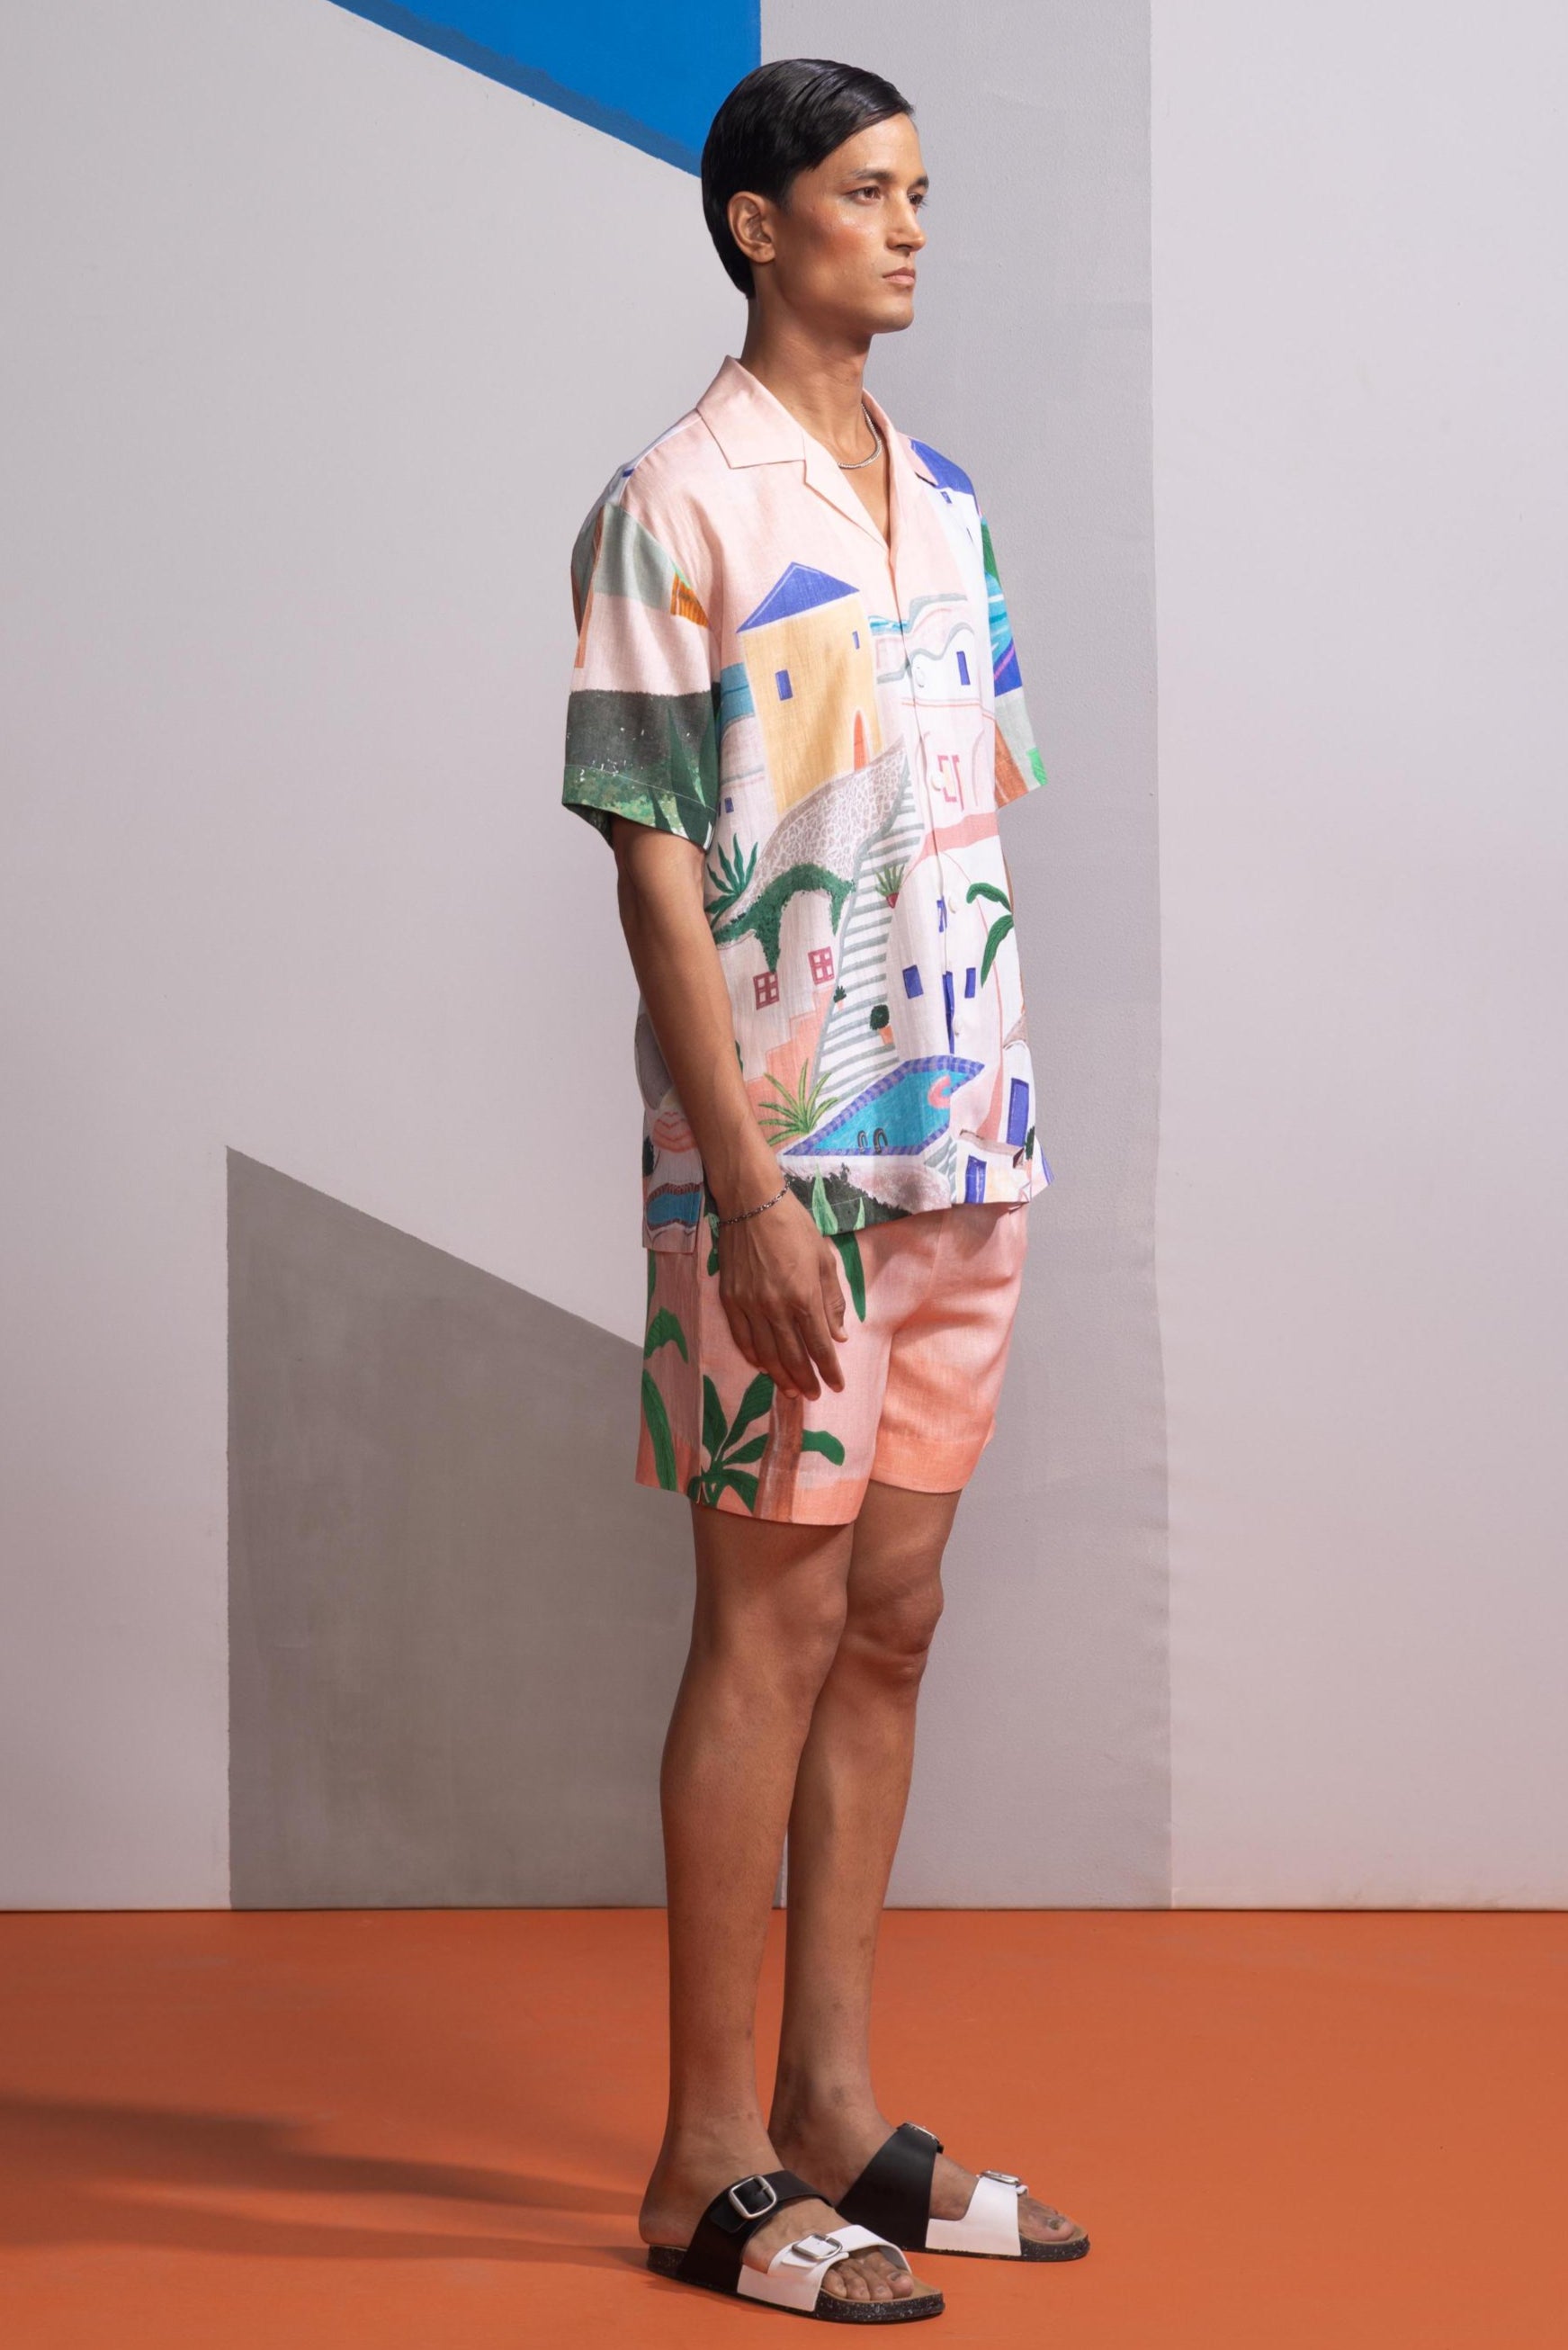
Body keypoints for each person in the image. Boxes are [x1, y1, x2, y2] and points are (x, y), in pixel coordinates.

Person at [560, 57, 1088, 2325]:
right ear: (755, 224)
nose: (909, 227)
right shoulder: (667, 505)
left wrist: (981, 1116)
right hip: (775, 1174)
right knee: (765, 1630)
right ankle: (702, 2157)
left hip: (964, 1141)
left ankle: (832, 2105)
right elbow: (655, 879)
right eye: (866, 192)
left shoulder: (946, 505)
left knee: (889, 1619)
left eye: (919, 192)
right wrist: (749, 1187)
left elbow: (957, 821)